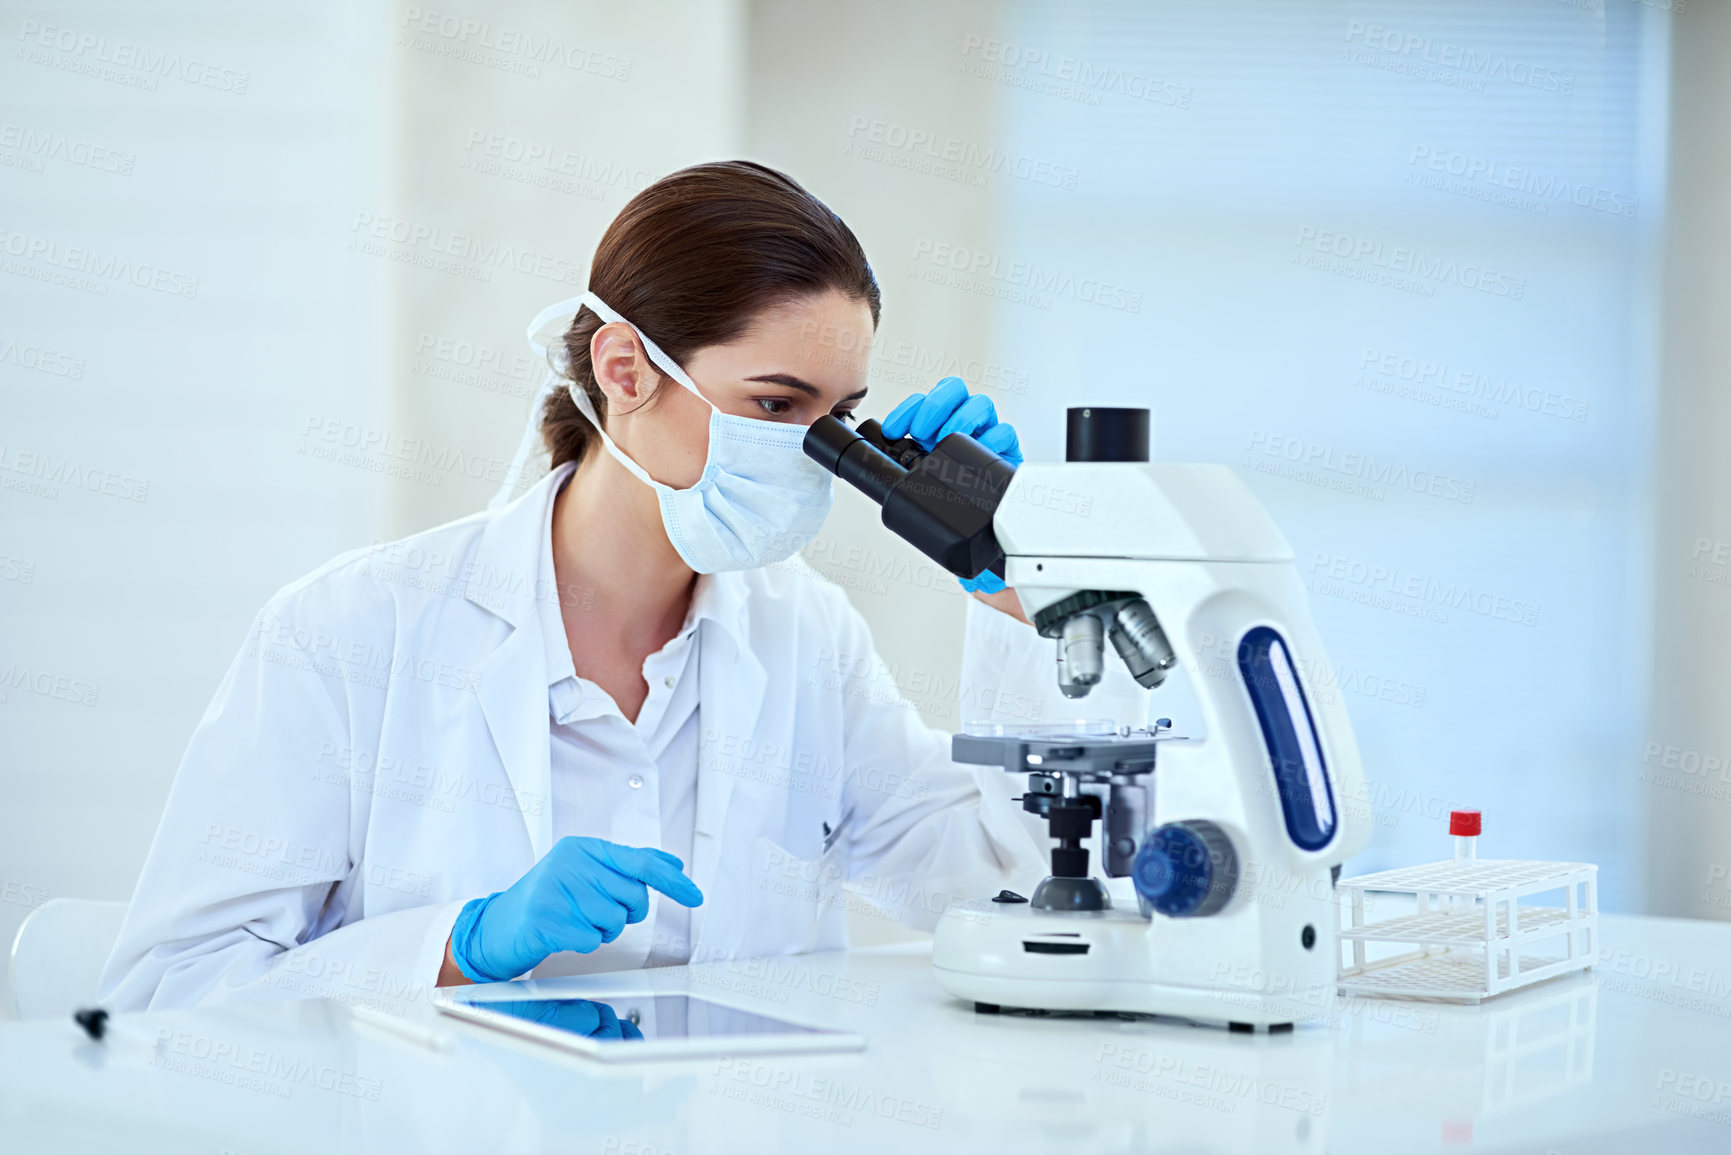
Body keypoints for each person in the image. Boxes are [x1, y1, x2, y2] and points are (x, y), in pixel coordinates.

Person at [98, 160, 1043, 1010]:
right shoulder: (349, 630)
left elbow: (996, 886)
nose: (812, 451)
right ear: (625, 368)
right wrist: (459, 947)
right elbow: (170, 990)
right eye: (775, 405)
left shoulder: (807, 635)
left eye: (840, 416)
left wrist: (1011, 584)